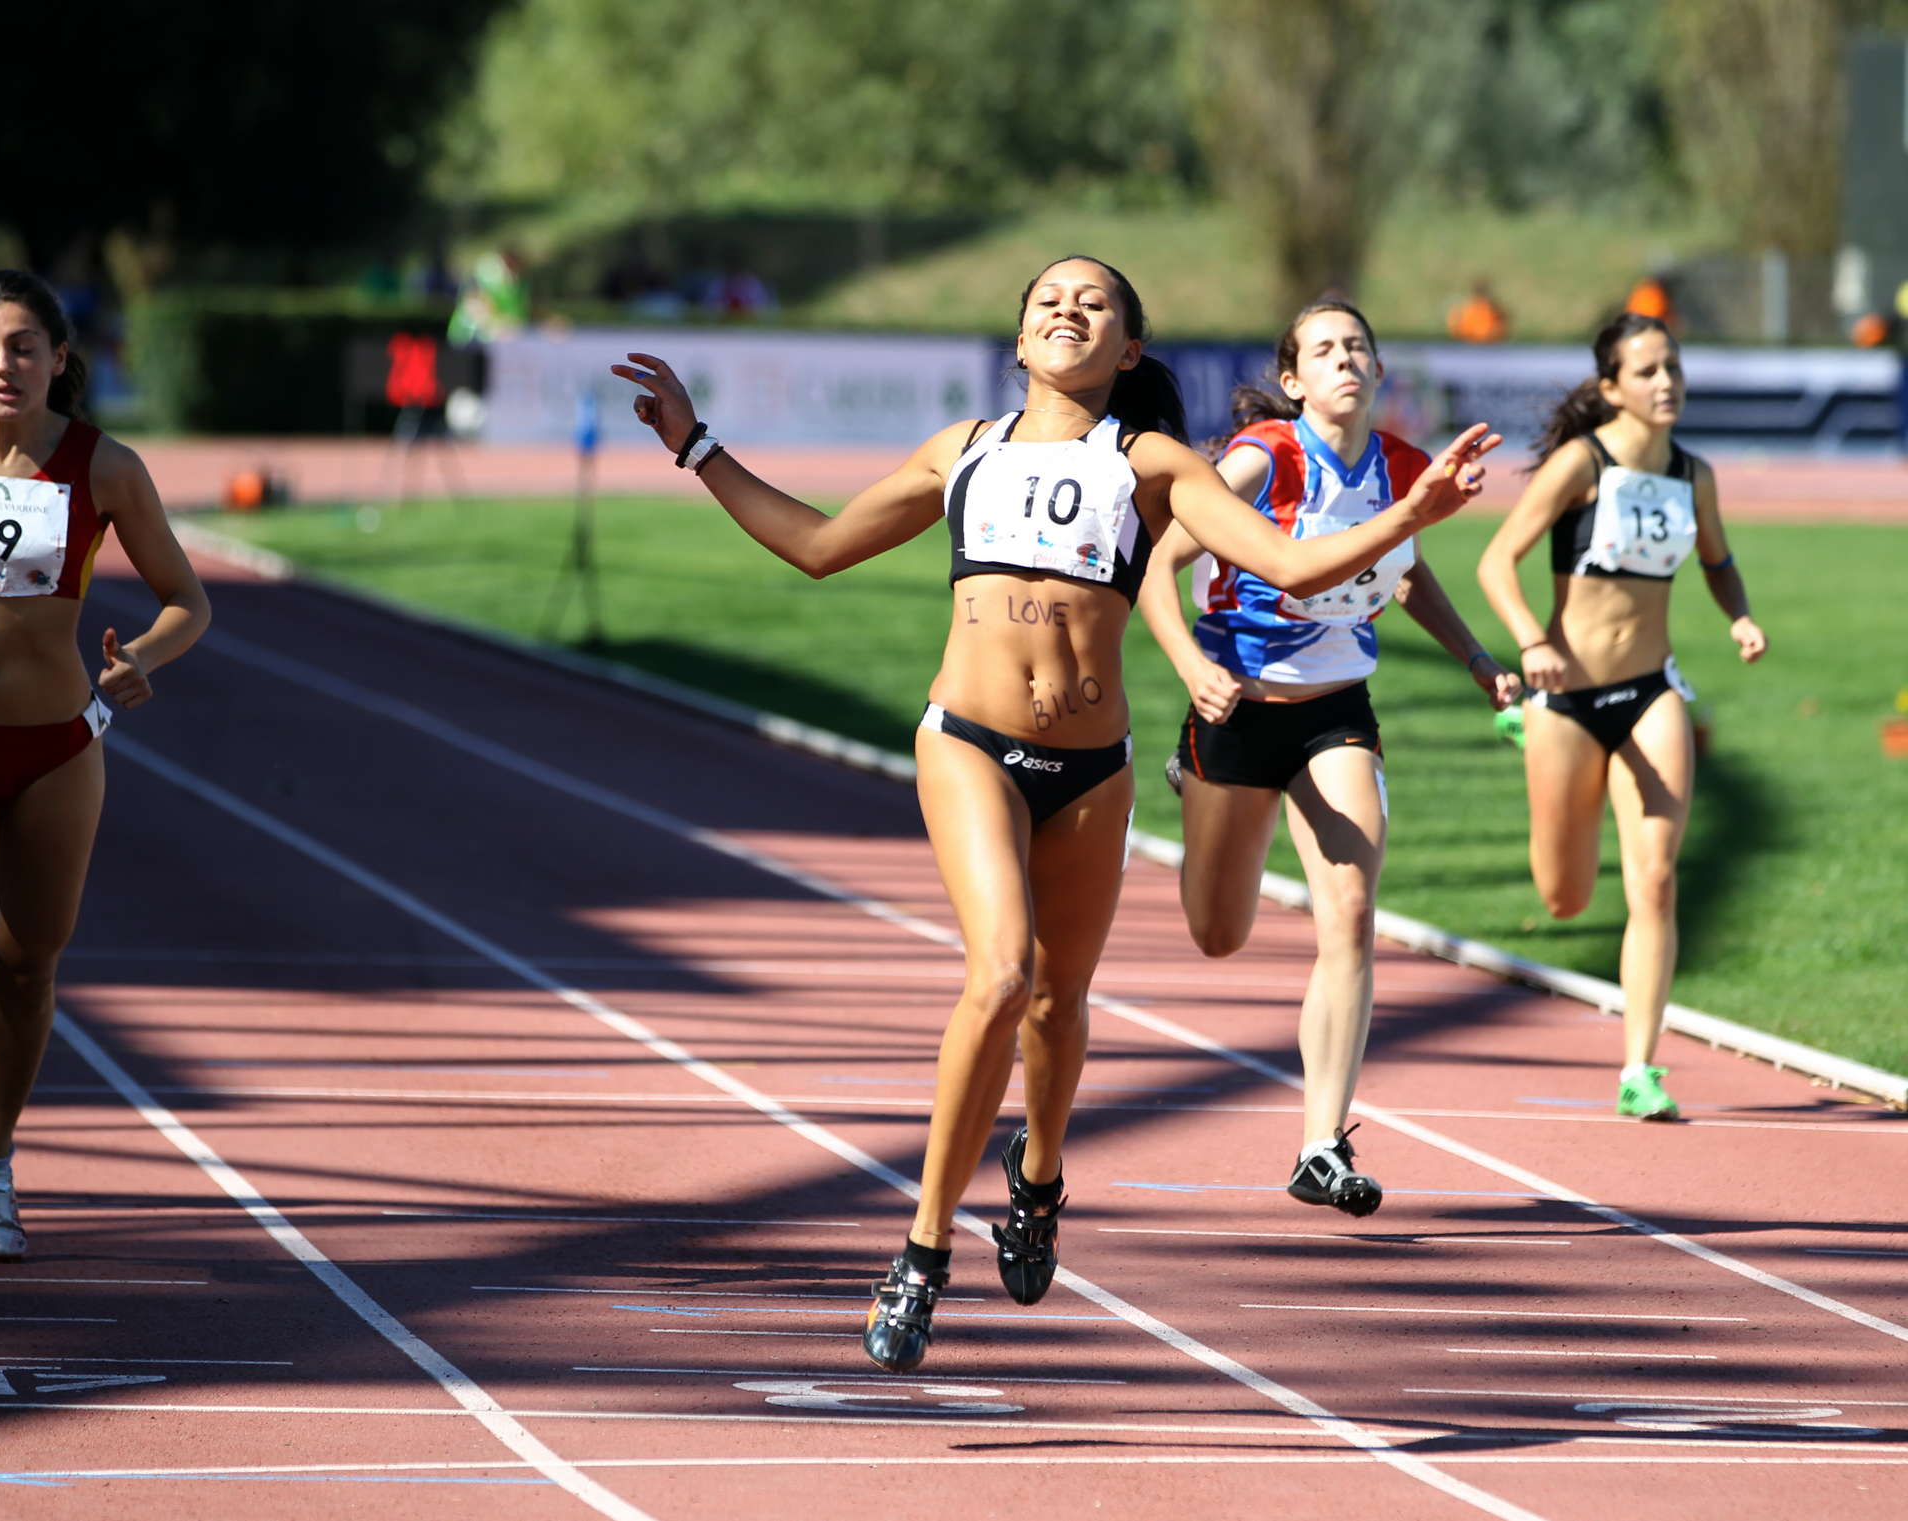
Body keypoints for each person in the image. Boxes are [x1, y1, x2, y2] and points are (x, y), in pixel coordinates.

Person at [612, 256, 1499, 1371]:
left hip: (1089, 768)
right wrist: (697, 446)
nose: (1068, 310)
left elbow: (1288, 561)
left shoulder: (1154, 462)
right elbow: (819, 546)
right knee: (1000, 976)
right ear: (1021, 340)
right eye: (1048, 301)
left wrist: (1411, 512)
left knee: (1058, 1004)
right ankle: (922, 1250)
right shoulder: (964, 451)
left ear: (1129, 349)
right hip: (968, 743)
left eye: (1094, 303)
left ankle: (1036, 1177)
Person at [1139, 301, 1521, 1217]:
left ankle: (1321, 1143)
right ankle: (1191, 778)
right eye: (1323, 349)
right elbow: (1156, 565)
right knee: (1217, 932)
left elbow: (1405, 566)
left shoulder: (1401, 467)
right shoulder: (1259, 458)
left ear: (1378, 370)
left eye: (1357, 347)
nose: (1344, 359)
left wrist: (1475, 657)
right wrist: (1191, 668)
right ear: (1294, 379)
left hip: (1337, 711)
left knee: (1349, 911)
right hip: (1235, 710)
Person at [0, 270, 210, 1259]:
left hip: (58, 743)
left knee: (29, 963)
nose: (5, 364)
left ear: (59, 357)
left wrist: (143, 661)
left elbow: (187, 600)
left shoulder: (104, 466)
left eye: (25, 346)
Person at [1476, 313, 1765, 1120]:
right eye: (1645, 371)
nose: (1665, 382)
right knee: (1564, 896)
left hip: (1648, 692)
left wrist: (1739, 615)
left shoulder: (1692, 474)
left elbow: (1718, 561)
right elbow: (1496, 560)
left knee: (1656, 880)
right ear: (1610, 387)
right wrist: (1530, 639)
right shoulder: (1581, 462)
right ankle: (1524, 726)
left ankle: (1639, 1068)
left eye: (1672, 367)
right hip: (1565, 698)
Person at [1447, 280, 1509, 344]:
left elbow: (1501, 328)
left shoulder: (1493, 309)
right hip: (1470, 342)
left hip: (1487, 342)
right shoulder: (1468, 308)